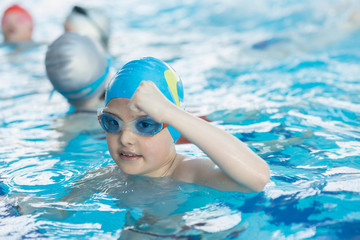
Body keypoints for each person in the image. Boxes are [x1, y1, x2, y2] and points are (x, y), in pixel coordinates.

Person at [99, 57, 270, 192]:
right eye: (112, 122)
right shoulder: (106, 178)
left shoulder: (189, 173)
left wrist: (170, 112)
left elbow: (258, 179)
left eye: (144, 125)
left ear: (174, 126)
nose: (125, 138)